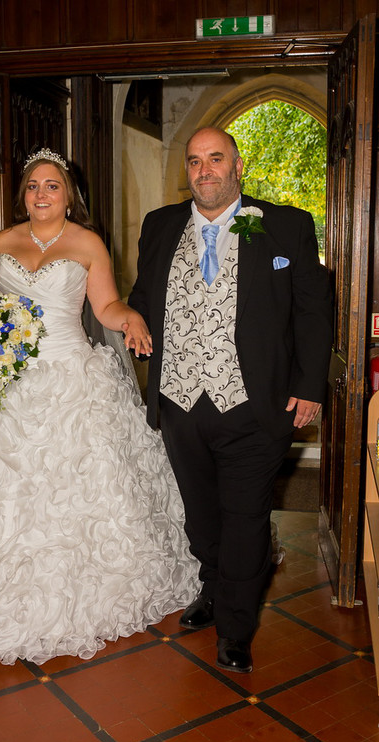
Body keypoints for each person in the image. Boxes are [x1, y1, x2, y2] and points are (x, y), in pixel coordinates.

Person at [0, 148, 200, 666]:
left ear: (68, 194)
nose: (41, 194)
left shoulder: (87, 243)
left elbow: (105, 306)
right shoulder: (4, 241)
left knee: (78, 489)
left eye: (52, 186)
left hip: (72, 377)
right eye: (33, 186)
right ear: (23, 195)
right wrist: (1, 333)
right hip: (7, 375)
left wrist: (132, 320)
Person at [127, 127, 332, 674]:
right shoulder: (161, 226)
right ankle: (212, 591)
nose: (204, 170)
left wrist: (309, 386)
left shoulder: (284, 225)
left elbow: (313, 311)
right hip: (179, 402)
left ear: (237, 166)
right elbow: (142, 299)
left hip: (255, 404)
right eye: (194, 162)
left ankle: (236, 628)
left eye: (215, 159)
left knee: (245, 517)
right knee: (202, 517)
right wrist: (134, 325)